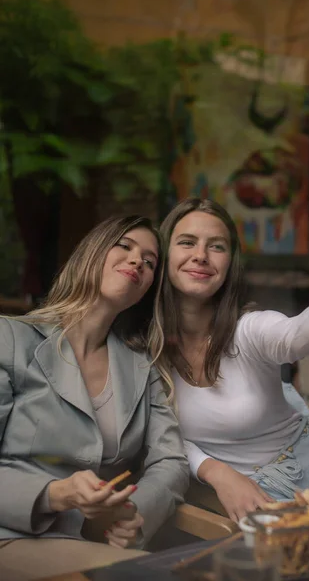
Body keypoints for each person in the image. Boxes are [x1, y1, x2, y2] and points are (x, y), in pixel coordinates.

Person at [151, 197, 309, 523]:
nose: (200, 255)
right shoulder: (146, 345)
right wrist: (215, 471)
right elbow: (157, 432)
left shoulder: (249, 329)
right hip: (253, 496)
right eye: (187, 242)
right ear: (164, 255)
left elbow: (294, 334)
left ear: (231, 263)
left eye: (216, 246)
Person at [0, 215, 189, 580]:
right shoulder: (10, 339)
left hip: (90, 543)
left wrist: (136, 513)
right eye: (125, 246)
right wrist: (56, 494)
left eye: (150, 262)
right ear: (91, 253)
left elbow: (172, 462)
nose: (138, 261)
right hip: (10, 534)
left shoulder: (142, 367)